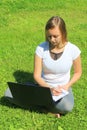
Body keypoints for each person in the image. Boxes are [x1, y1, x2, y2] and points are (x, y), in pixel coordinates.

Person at [33, 16, 82, 118]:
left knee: (67, 107)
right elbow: (37, 76)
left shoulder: (73, 50)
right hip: (44, 86)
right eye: (49, 36)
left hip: (62, 89)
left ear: (63, 33)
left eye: (55, 36)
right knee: (8, 93)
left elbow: (78, 72)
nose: (52, 40)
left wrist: (67, 86)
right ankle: (47, 110)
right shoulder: (41, 48)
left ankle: (39, 106)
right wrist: (50, 88)